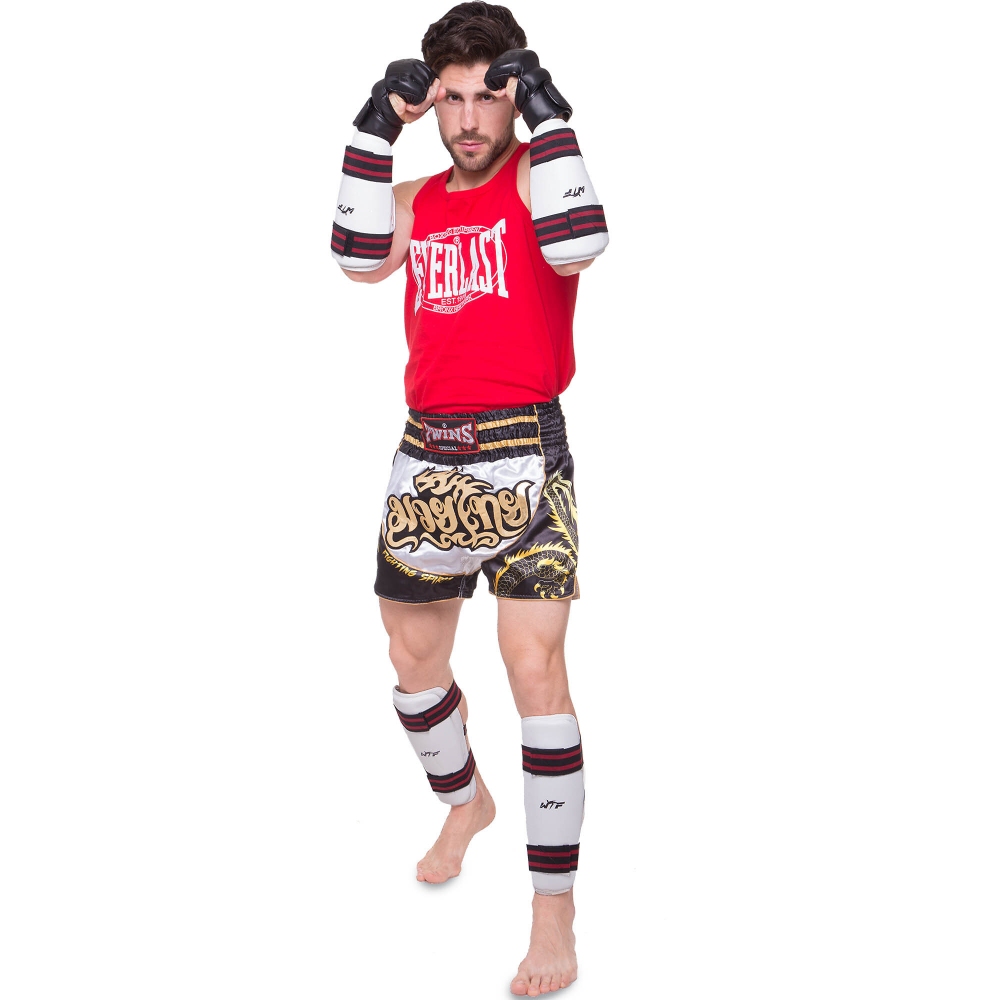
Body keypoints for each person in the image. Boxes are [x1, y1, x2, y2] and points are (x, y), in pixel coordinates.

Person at [331, 4, 607, 994]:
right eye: (450, 98)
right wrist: (373, 128)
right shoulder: (416, 199)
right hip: (429, 457)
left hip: (526, 450)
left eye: (490, 95)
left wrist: (551, 114)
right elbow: (356, 260)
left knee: (536, 672)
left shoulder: (539, 177)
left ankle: (552, 914)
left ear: (513, 95)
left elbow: (578, 245)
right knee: (413, 666)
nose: (469, 118)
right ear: (432, 104)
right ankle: (466, 802)